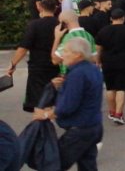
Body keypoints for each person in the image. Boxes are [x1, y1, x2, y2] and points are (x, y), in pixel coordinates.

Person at [32, 38, 103, 171]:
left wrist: (47, 114)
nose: (62, 55)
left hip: (80, 130)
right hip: (94, 126)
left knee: (53, 165)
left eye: (65, 51)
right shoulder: (93, 69)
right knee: (88, 166)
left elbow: (68, 105)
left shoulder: (77, 74)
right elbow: (85, 96)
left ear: (77, 54)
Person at [7, 0, 60, 112]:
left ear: (40, 8)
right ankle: (47, 122)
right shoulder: (60, 25)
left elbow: (23, 48)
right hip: (56, 65)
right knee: (50, 98)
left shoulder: (34, 25)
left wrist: (13, 65)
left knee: (38, 99)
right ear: (55, 9)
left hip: (38, 66)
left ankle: (42, 125)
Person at [95, 8, 125, 125]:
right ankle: (118, 114)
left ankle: (111, 111)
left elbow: (98, 49)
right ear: (123, 18)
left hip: (107, 62)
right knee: (121, 88)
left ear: (111, 18)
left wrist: (97, 61)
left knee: (110, 88)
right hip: (123, 61)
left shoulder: (103, 31)